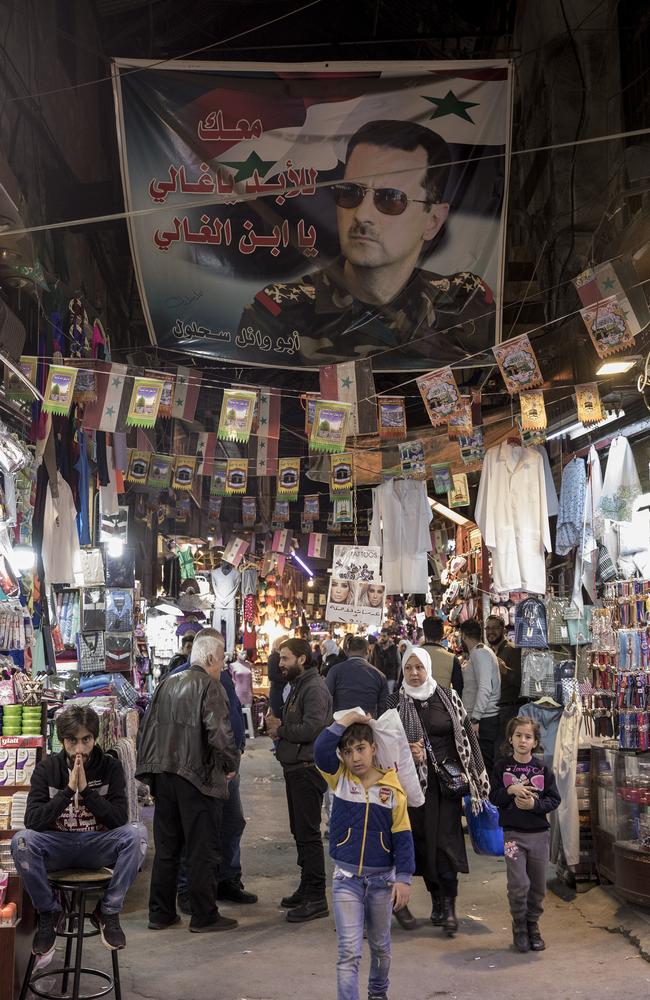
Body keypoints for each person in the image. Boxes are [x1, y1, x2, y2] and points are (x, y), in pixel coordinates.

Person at [238, 119, 495, 368]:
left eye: (391, 199)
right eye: (350, 193)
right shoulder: (282, 311)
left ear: (433, 220)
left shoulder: (460, 302)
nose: (362, 215)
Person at [12, 705, 145, 954]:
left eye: (86, 740)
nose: (80, 749)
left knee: (137, 835)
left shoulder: (110, 767)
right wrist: (67, 792)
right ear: (62, 740)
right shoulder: (47, 769)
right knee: (21, 841)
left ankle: (108, 911)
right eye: (72, 741)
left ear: (95, 739)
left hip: (97, 845)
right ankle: (49, 912)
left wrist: (86, 791)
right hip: (58, 846)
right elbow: (32, 821)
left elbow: (119, 819)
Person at [136, 630, 240, 933]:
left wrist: (150, 772)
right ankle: (204, 915)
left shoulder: (167, 683)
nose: (222, 666)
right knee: (201, 848)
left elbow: (147, 730)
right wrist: (229, 764)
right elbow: (219, 733)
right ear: (210, 658)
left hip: (164, 775)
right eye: (220, 660)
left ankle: (160, 913)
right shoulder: (210, 685)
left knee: (168, 848)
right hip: (197, 777)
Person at [388, 647, 490, 936]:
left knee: (447, 843)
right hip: (411, 787)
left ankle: (449, 907)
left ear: (429, 668)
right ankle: (434, 899)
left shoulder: (448, 697)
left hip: (446, 786)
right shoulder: (394, 702)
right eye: (409, 668)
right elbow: (381, 743)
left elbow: (468, 735)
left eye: (419, 667)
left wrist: (478, 776)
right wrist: (405, 751)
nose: (415, 674)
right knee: (420, 843)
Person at [314, 712, 415, 1000]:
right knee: (348, 951)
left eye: (360, 749)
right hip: (345, 880)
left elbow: (403, 837)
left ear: (373, 748)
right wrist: (347, 720)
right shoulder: (339, 780)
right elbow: (321, 750)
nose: (355, 757)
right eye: (347, 752)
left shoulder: (393, 790)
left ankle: (378, 993)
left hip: (383, 881)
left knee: (381, 948)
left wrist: (404, 878)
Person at [168, 629, 257, 910]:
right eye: (219, 656)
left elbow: (229, 716)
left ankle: (227, 880)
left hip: (228, 763)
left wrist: (235, 752)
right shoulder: (180, 679)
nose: (223, 661)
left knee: (232, 823)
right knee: (194, 830)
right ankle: (187, 889)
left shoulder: (221, 676)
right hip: (199, 767)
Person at [265, 638, 332, 922]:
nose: (280, 664)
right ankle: (307, 887)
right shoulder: (300, 685)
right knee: (300, 832)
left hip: (307, 769)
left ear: (302, 659)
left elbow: (312, 728)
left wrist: (281, 730)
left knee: (308, 833)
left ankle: (317, 896)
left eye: (285, 658)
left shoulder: (313, 687)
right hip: (296, 767)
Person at [490, 716, 561, 953]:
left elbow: (554, 799)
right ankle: (519, 925)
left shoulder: (543, 769)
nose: (522, 740)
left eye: (528, 736)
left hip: (539, 836)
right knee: (518, 883)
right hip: (512, 836)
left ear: (535, 742)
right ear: (510, 739)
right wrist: (510, 789)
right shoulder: (501, 767)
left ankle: (533, 925)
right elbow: (493, 796)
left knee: (538, 886)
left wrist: (534, 806)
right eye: (518, 735)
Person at [459, 619, 501, 777]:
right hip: (482, 718)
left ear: (463, 635)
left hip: (484, 720)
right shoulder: (478, 653)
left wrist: (475, 719)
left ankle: (488, 800)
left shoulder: (480, 653)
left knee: (484, 768)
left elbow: (485, 687)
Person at [325, 636, 389, 719]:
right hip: (367, 727)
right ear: (368, 652)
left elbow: (325, 698)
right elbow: (383, 711)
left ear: (347, 652)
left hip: (340, 725)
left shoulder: (335, 671)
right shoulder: (380, 676)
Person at [484, 614, 525, 743]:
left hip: (510, 711)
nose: (491, 631)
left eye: (495, 628)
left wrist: (505, 670)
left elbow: (523, 682)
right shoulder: (491, 652)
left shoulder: (512, 650)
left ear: (504, 631)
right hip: (497, 711)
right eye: (488, 628)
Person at [421, 616, 464, 696]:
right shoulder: (452, 658)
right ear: (442, 634)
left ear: (424, 633)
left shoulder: (413, 656)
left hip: (416, 707)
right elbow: (459, 691)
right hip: (443, 706)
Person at [267, 633, 290, 718]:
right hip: (278, 691)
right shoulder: (274, 657)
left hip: (280, 690)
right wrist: (287, 678)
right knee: (279, 715)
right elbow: (272, 675)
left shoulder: (278, 657)